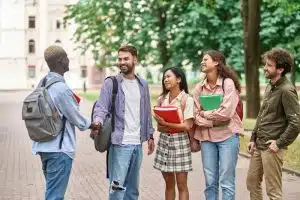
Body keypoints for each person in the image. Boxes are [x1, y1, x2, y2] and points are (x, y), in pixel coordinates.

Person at [32, 45, 99, 200]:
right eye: (67, 57)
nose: (69, 60)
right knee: (55, 196)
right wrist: (93, 124)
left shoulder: (43, 84)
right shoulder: (60, 88)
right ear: (61, 61)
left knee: (52, 191)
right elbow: (75, 117)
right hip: (59, 151)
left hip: (44, 147)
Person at [92, 45, 155, 200]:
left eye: (125, 58)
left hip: (137, 144)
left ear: (135, 59)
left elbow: (146, 112)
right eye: (119, 59)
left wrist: (150, 135)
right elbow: (101, 107)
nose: (122, 62)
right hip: (120, 143)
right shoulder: (111, 83)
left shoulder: (143, 85)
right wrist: (97, 122)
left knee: (133, 191)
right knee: (117, 190)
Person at [246, 48, 300, 200]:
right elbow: (262, 114)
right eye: (266, 64)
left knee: (273, 191)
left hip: (272, 148)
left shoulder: (286, 90)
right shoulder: (270, 85)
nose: (265, 68)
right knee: (251, 182)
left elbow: (296, 123)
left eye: (269, 65)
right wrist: (253, 138)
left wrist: (279, 143)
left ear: (280, 69)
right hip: (259, 144)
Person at [192, 50, 243, 200]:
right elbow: (195, 115)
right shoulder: (199, 88)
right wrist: (212, 118)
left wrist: (205, 114)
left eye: (205, 59)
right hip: (207, 139)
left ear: (216, 62)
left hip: (227, 137)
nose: (202, 62)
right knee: (210, 182)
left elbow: (227, 114)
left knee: (226, 182)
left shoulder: (228, 84)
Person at [153, 67, 195, 200]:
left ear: (179, 79)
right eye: (164, 77)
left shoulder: (187, 99)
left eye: (169, 76)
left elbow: (187, 126)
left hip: (180, 143)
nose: (165, 79)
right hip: (164, 142)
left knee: (182, 186)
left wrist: (166, 124)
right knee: (168, 184)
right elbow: (159, 128)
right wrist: (162, 124)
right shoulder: (161, 99)